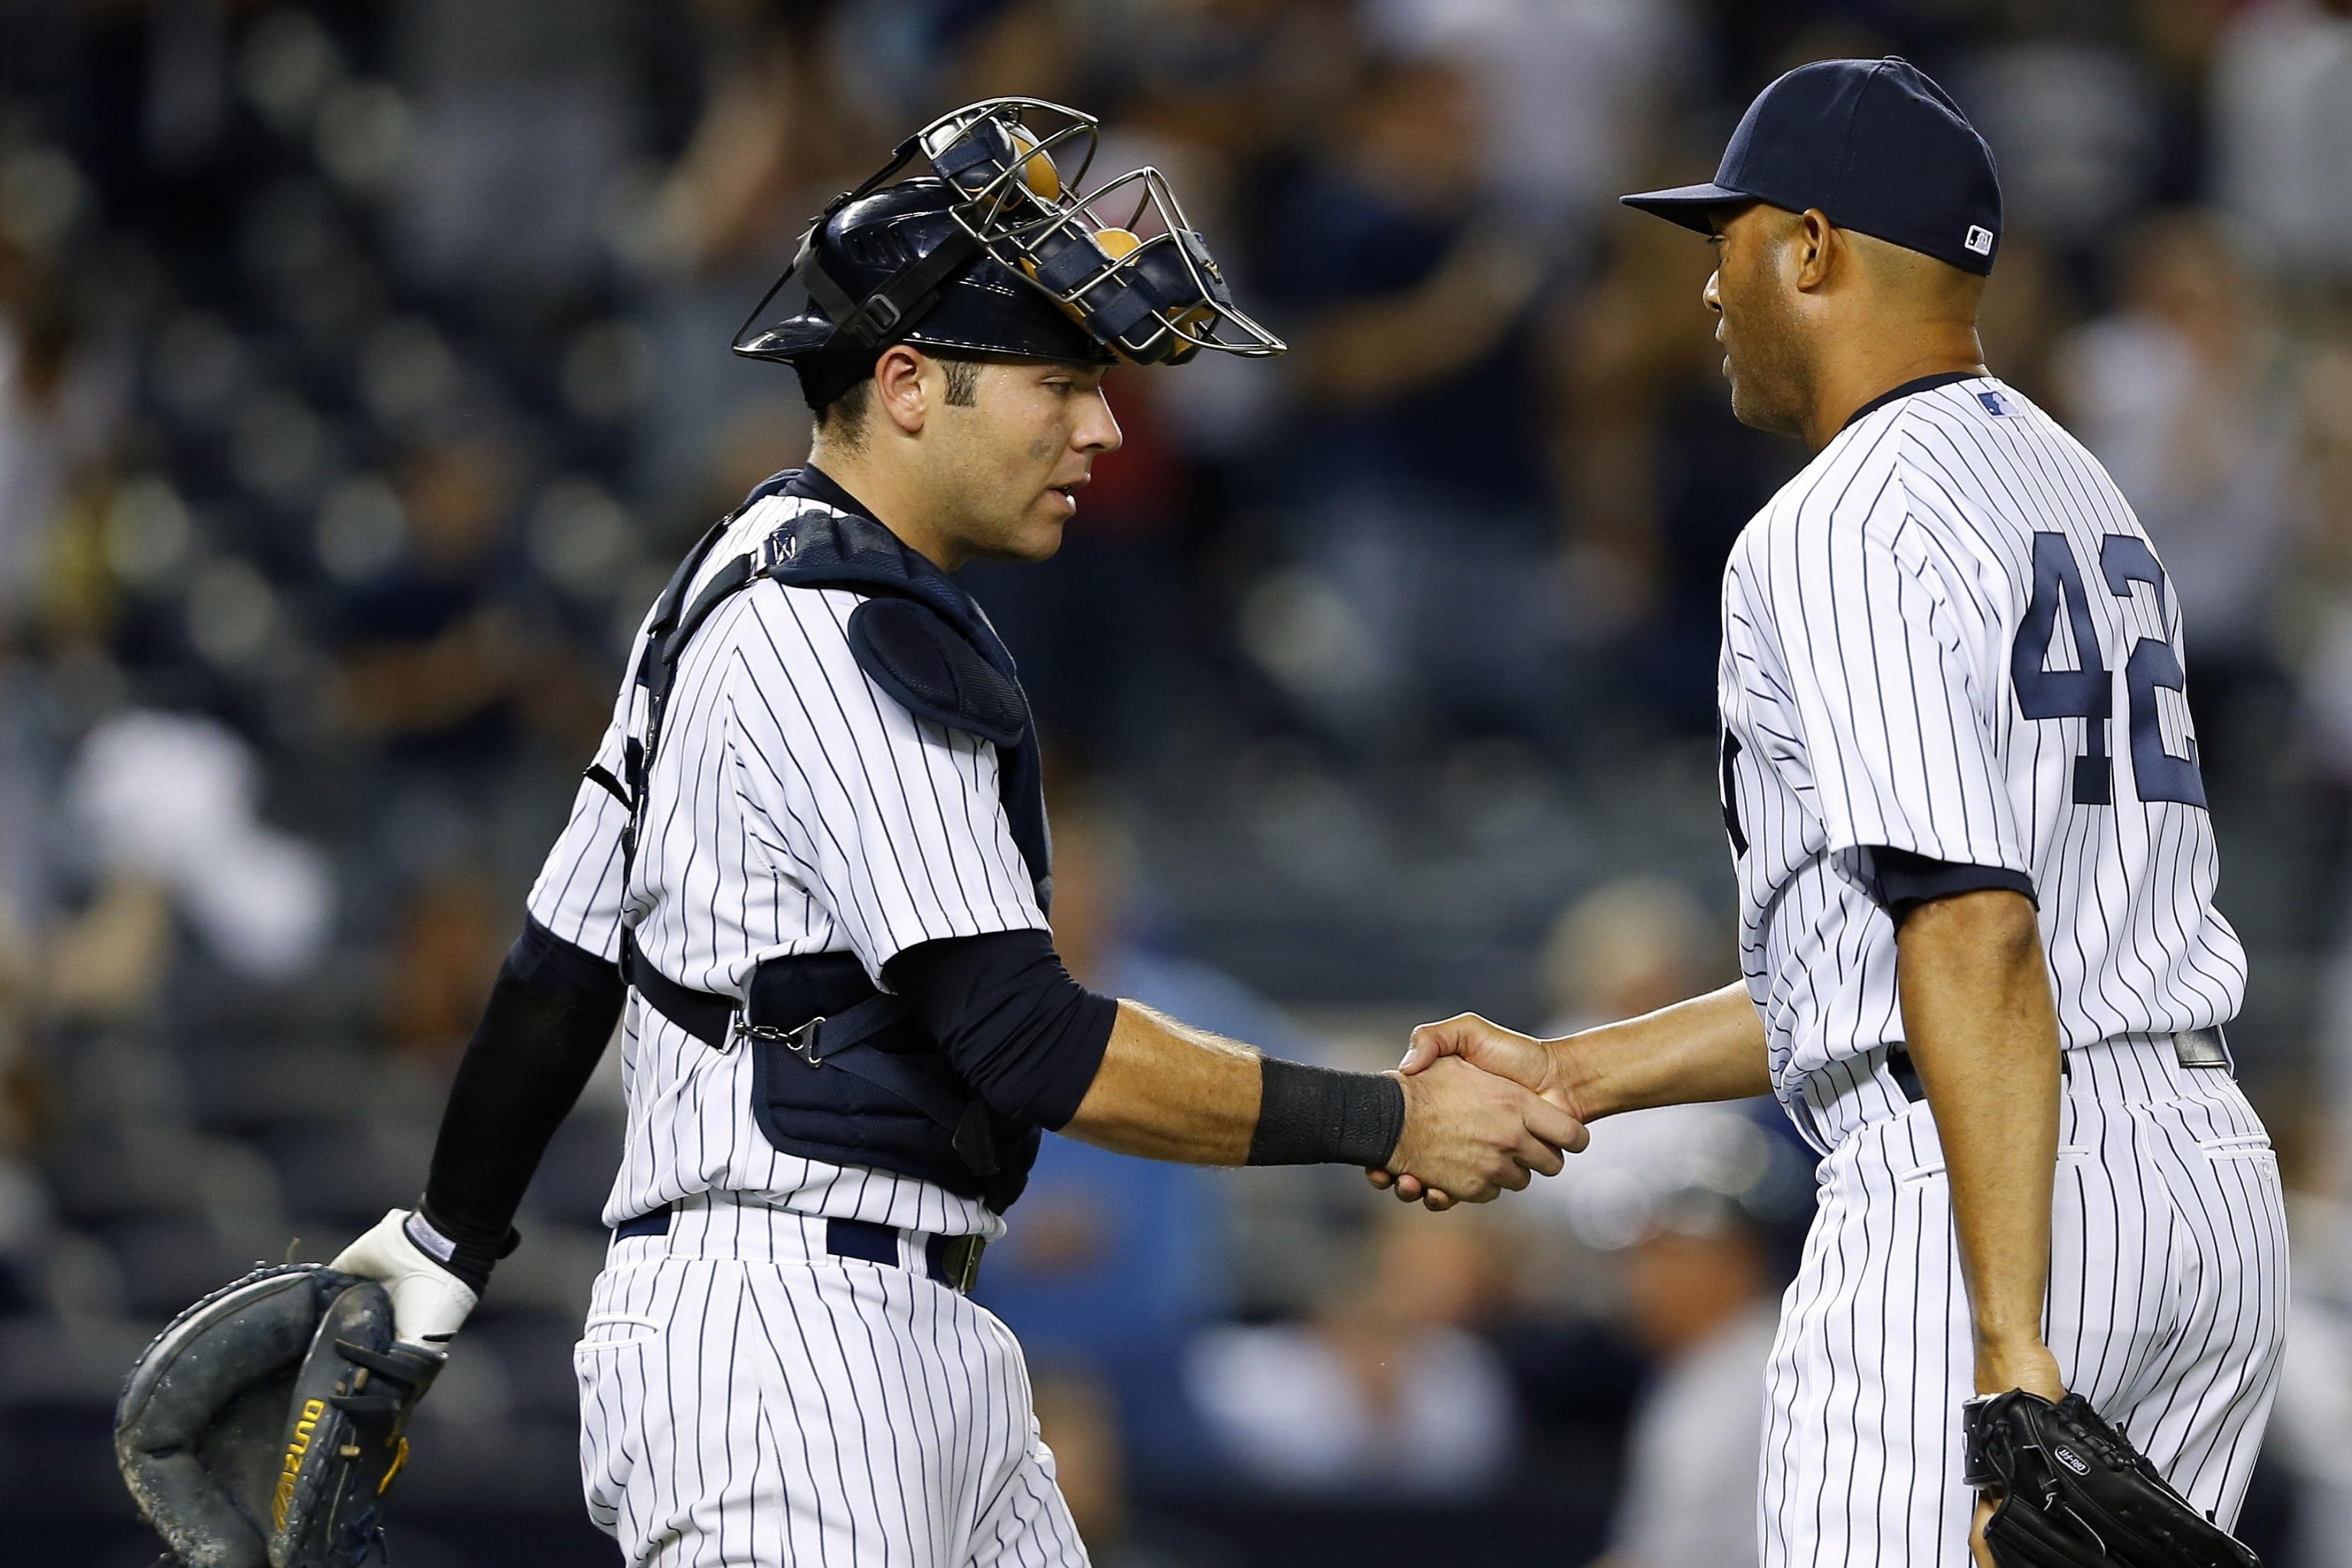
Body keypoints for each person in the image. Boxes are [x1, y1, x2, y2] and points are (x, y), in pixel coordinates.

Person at [315, 100, 1583, 1568]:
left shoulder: (732, 578)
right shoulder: (831, 628)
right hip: (791, 1342)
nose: (1105, 424)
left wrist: (443, 1248)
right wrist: (1391, 1117)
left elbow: (561, 965)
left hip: (897, 1332)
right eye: (1062, 383)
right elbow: (1028, 1042)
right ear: (910, 384)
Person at [1380, 57, 2287, 1567]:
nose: (1709, 287)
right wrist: (1576, 1069)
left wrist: (2008, 1349)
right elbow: (1896, 961)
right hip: (2194, 1178)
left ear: (1812, 247)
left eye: (1728, 238)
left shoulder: (1845, 514)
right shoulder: (2078, 488)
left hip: (1987, 1198)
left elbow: (1973, 928)